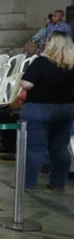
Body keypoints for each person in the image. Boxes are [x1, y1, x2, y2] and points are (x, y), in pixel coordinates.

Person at [21, 32, 74, 193]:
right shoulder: (71, 65)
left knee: (35, 148)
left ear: (52, 43)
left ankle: (29, 184)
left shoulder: (41, 62)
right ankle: (58, 183)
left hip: (39, 108)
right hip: (65, 109)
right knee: (60, 148)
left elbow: (26, 84)